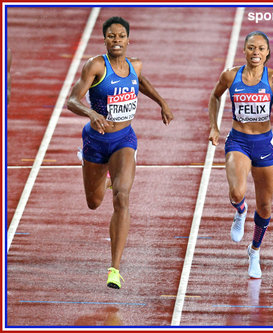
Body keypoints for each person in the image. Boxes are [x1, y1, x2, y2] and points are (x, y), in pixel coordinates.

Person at [67, 16, 173, 289]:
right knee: (94, 202)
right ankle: (101, 175)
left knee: (122, 197)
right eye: (111, 36)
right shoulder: (96, 66)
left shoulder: (134, 65)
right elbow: (72, 99)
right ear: (105, 40)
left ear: (128, 39)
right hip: (95, 141)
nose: (116, 40)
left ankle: (114, 268)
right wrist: (91, 112)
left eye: (121, 36)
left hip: (124, 139)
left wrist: (162, 102)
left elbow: (142, 82)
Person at [208, 31, 273, 278]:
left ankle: (254, 250)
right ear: (244, 51)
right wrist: (215, 126)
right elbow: (215, 96)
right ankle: (241, 210)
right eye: (251, 48)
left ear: (267, 53)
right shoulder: (230, 76)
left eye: (261, 49)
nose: (256, 52)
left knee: (265, 207)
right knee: (236, 191)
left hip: (264, 145)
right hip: (239, 141)